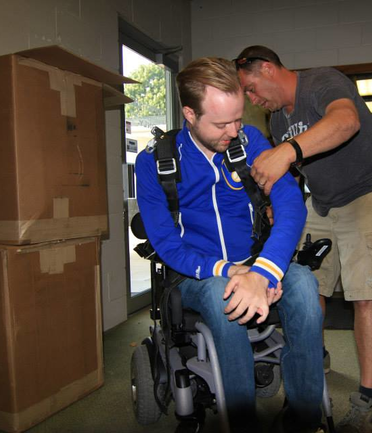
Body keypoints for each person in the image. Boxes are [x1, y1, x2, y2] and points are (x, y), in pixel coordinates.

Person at [135, 57, 324, 433]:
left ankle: (303, 420)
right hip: (196, 275)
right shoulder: (154, 162)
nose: (234, 130)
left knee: (304, 286)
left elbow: (289, 206)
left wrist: (264, 269)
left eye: (239, 118)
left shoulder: (250, 142)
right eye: (221, 123)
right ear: (189, 114)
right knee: (226, 296)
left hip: (254, 262)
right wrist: (227, 270)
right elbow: (166, 243)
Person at [235, 46, 372, 433]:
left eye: (251, 87)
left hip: (369, 191)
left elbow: (346, 122)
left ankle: (368, 399)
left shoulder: (321, 81)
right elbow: (294, 171)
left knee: (364, 294)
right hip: (323, 201)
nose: (251, 99)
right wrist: (280, 200)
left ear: (268, 68)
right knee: (305, 283)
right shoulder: (277, 120)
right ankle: (314, 359)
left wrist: (286, 151)